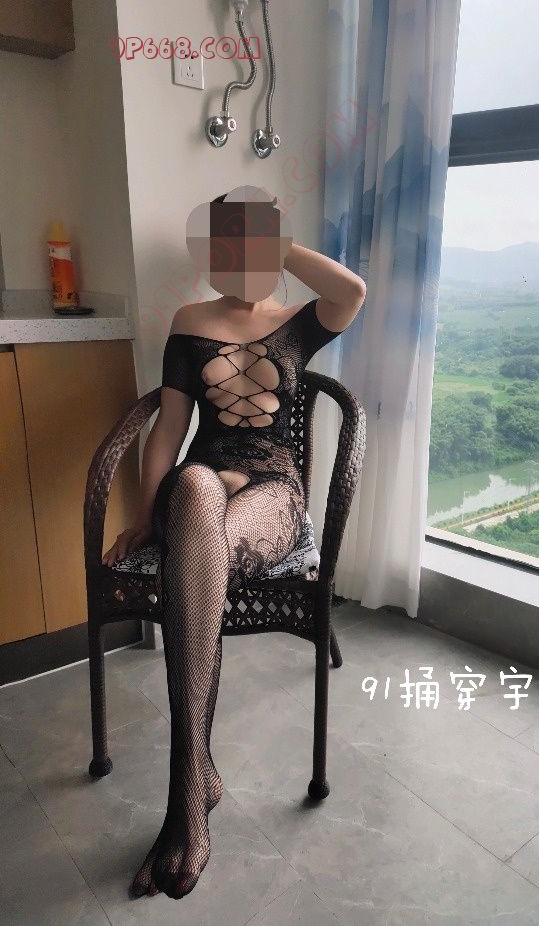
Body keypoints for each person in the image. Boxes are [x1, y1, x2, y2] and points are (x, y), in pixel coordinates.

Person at [102, 185, 366, 900]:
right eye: (229, 245)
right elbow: (169, 428)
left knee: (201, 528)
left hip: (272, 495)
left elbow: (352, 291)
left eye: (254, 244)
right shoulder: (189, 322)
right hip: (204, 489)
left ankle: (186, 801)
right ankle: (197, 785)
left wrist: (277, 241)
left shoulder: (299, 322)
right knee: (190, 488)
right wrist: (143, 516)